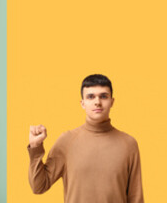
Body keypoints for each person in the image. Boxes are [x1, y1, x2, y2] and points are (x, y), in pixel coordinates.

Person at [27, 74, 142, 202]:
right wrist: (35, 148)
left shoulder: (128, 144)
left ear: (112, 101)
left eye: (103, 96)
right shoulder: (67, 141)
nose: (97, 102)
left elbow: (136, 197)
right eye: (91, 97)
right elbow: (38, 186)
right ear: (82, 103)